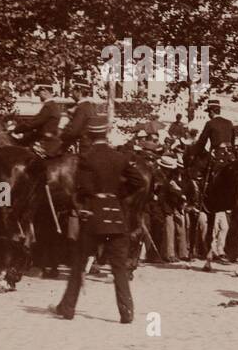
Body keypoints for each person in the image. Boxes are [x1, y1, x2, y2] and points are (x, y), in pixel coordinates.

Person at [52, 116, 143, 323]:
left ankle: (67, 308)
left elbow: (83, 187)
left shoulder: (86, 158)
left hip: (93, 217)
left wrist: (89, 198)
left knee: (78, 264)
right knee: (119, 267)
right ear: (106, 133)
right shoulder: (119, 157)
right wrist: (118, 194)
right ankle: (126, 312)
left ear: (90, 135)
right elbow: (138, 181)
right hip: (115, 216)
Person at [12, 84, 66, 155]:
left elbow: (35, 123)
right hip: (49, 137)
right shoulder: (54, 106)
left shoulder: (48, 106)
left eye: (39, 93)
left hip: (43, 139)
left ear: (45, 92)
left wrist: (16, 129)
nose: (38, 96)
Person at [59, 82, 103, 151]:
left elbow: (74, 131)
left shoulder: (81, 108)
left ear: (78, 92)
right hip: (91, 143)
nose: (71, 94)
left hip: (84, 145)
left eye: (73, 91)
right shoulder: (90, 106)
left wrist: (61, 136)